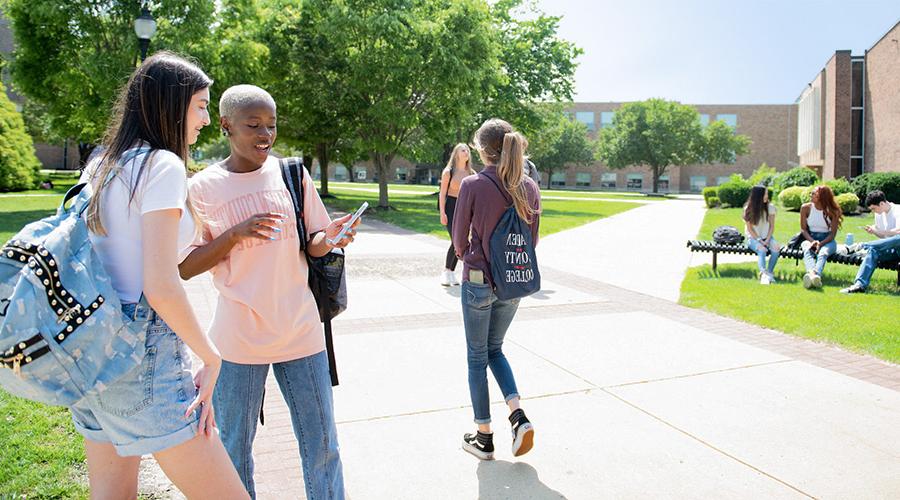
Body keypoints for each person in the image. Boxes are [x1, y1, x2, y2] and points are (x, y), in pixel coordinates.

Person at [78, 52, 247, 498]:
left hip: (90, 350)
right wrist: (210, 357)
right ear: (171, 107)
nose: (208, 119)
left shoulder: (102, 163)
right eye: (201, 105)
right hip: (143, 354)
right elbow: (160, 283)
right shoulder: (163, 166)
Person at [179, 85, 355, 499]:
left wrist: (329, 238)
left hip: (301, 330)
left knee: (322, 447)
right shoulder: (202, 187)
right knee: (234, 448)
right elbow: (185, 267)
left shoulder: (292, 173)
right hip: (238, 340)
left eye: (271, 126)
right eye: (253, 125)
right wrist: (234, 235)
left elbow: (310, 241)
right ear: (225, 125)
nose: (265, 135)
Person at [452, 118, 541, 461]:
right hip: (513, 281)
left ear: (483, 150)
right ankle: (517, 415)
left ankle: (484, 437)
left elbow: (459, 240)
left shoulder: (473, 185)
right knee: (495, 349)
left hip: (478, 280)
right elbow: (531, 240)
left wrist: (469, 258)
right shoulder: (529, 187)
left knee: (477, 356)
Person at [840, 190, 900, 293]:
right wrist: (874, 232)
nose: (873, 211)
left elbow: (898, 231)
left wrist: (879, 231)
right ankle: (859, 285)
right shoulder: (879, 214)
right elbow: (883, 236)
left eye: (874, 208)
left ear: (881, 204)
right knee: (872, 250)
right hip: (889, 249)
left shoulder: (897, 210)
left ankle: (862, 245)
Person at [439, 143, 475, 286]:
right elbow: (442, 194)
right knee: (455, 240)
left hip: (465, 207)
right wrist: (442, 212)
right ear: (456, 154)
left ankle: (451, 273)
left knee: (461, 240)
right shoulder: (449, 171)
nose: (466, 152)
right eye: (463, 150)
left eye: (467, 150)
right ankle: (447, 271)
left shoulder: (471, 173)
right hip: (450, 207)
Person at [799, 185, 842, 289]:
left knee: (823, 253)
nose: (811, 195)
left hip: (828, 240)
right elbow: (803, 230)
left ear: (822, 197)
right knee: (807, 249)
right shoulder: (805, 208)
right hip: (810, 238)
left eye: (814, 194)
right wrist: (813, 241)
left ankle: (813, 275)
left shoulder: (832, 211)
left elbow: (832, 234)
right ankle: (814, 276)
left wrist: (820, 244)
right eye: (811, 193)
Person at [743, 185, 780, 284]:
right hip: (753, 238)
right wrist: (760, 241)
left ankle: (770, 272)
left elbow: (772, 226)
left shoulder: (770, 208)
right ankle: (763, 273)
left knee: (776, 247)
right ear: (758, 196)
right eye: (765, 194)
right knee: (762, 250)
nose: (767, 196)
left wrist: (767, 240)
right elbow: (750, 229)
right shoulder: (748, 209)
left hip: (767, 237)